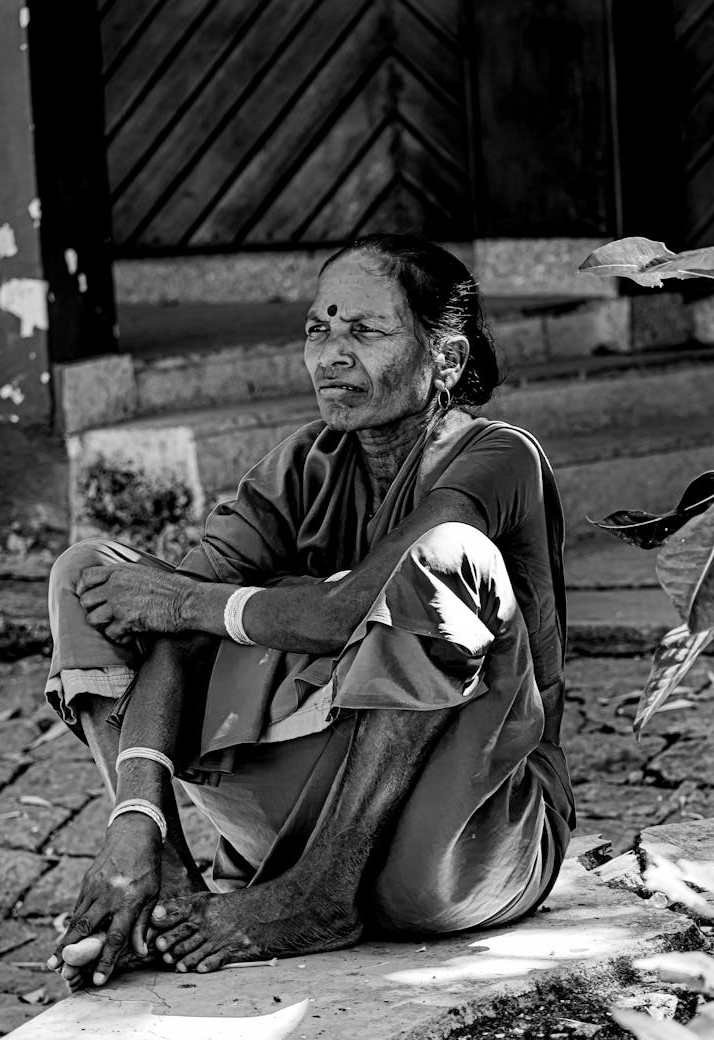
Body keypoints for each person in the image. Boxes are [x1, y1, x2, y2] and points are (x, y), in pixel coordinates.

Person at [45, 234, 574, 990]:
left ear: (447, 361)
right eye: (319, 329)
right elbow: (165, 627)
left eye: (365, 331)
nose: (331, 354)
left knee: (446, 557)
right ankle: (161, 880)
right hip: (307, 818)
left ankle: (317, 899)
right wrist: (137, 817)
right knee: (84, 574)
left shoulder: (498, 458)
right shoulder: (302, 464)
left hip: (471, 834)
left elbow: (345, 611)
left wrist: (195, 603)